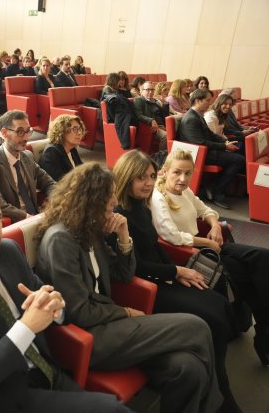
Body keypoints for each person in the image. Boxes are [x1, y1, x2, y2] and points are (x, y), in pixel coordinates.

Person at [0, 178, 131, 413]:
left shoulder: (7, 252)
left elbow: (53, 306)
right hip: (8, 395)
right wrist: (27, 326)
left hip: (49, 371)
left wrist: (55, 307)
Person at [35, 162, 222, 413]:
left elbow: (124, 274)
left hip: (113, 327)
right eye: (109, 195)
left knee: (189, 368)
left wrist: (124, 236)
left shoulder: (90, 229)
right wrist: (126, 312)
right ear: (90, 199)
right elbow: (80, 312)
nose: (114, 201)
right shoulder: (61, 239)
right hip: (92, 336)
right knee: (197, 326)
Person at [113, 150, 241, 412]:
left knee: (217, 302)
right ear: (126, 178)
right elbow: (134, 266)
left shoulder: (140, 204)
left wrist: (176, 270)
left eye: (151, 176)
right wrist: (175, 273)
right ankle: (220, 393)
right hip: (142, 288)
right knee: (212, 316)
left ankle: (215, 382)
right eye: (140, 178)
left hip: (161, 275)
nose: (148, 183)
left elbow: (155, 247)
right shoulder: (119, 212)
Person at [150, 149, 269, 369]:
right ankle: (264, 334)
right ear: (164, 172)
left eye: (188, 173)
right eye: (177, 172)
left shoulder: (184, 191)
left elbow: (206, 209)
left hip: (208, 246)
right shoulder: (158, 198)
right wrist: (207, 243)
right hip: (192, 255)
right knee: (248, 273)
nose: (183, 179)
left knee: (262, 258)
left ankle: (263, 329)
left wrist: (214, 226)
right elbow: (171, 236)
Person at [0, 110, 54, 223]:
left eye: (28, 131)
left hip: (36, 217)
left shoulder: (27, 156)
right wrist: (27, 218)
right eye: (20, 132)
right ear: (4, 133)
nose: (26, 138)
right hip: (16, 223)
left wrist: (60, 199)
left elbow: (49, 183)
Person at [178, 88, 244, 209]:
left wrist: (225, 141)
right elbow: (200, 142)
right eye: (208, 100)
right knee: (239, 160)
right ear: (198, 100)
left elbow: (210, 135)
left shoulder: (198, 115)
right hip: (199, 154)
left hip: (205, 150)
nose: (210, 103)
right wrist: (224, 146)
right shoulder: (191, 119)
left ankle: (216, 185)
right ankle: (217, 191)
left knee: (239, 151)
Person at [39, 114, 85, 181]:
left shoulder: (72, 149)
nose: (80, 133)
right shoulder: (51, 152)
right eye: (75, 129)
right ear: (62, 131)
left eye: (80, 129)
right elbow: (61, 182)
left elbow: (83, 171)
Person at [133, 81, 168, 151]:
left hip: (162, 125)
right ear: (141, 91)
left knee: (178, 132)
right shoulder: (139, 100)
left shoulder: (155, 101)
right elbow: (139, 115)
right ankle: (161, 157)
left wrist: (165, 104)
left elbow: (165, 116)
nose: (150, 92)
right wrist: (151, 120)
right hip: (151, 127)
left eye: (152, 89)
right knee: (166, 136)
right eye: (148, 89)